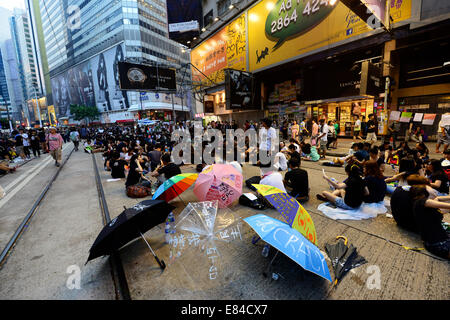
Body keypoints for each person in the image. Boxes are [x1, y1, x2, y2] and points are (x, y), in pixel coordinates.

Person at [410, 186, 450, 259]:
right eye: (430, 189)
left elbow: (440, 203)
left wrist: (438, 198)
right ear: (424, 193)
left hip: (438, 239)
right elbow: (446, 206)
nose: (434, 191)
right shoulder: (421, 202)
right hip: (437, 243)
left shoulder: (422, 206)